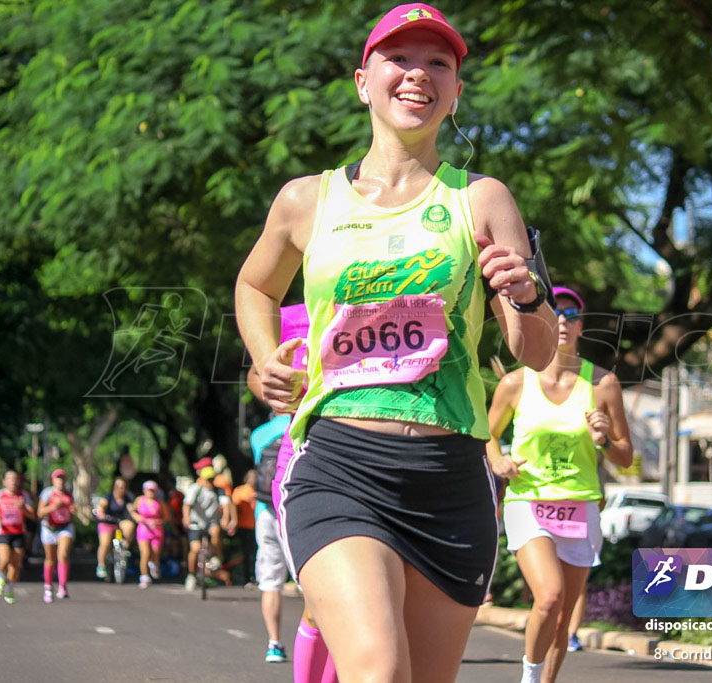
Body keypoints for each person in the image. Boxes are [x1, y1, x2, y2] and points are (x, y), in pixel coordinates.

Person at [234, 4, 557, 679]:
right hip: (339, 466)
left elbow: (534, 351)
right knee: (378, 669)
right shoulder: (306, 200)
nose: (418, 74)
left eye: (438, 62)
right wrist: (264, 357)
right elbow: (255, 287)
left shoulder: (482, 199)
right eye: (399, 59)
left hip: (450, 482)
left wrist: (525, 294)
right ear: (363, 80)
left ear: (457, 91)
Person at [486, 286, 633, 683]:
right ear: (543, 323)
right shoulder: (516, 383)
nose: (564, 320)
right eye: (556, 313)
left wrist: (604, 439)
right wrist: (497, 459)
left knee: (564, 613)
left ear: (582, 325)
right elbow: (486, 432)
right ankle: (529, 677)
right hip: (529, 502)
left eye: (572, 313)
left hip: (581, 507)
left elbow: (625, 455)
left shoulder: (603, 385)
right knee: (548, 596)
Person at [0, 471, 36, 603]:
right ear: (5, 481)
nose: (13, 482)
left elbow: (32, 515)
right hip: (3, 533)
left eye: (15, 479)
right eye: (10, 479)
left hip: (18, 534)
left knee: (15, 565)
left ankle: (10, 589)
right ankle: (0, 577)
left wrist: (23, 509)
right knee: (4, 560)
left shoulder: (23, 495)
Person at [183, 460, 226, 591]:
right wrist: (186, 517)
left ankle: (215, 557)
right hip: (196, 523)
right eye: (208, 479)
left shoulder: (218, 491)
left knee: (216, 532)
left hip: (211, 522)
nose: (210, 482)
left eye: (212, 479)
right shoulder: (196, 489)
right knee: (195, 549)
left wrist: (226, 519)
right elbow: (187, 504)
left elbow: (226, 505)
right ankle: (191, 574)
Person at [37, 468, 77, 603]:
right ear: (53, 480)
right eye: (57, 478)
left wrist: (73, 510)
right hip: (49, 528)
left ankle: (62, 586)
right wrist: (53, 506)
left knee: (63, 554)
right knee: (50, 558)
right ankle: (48, 587)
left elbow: (73, 508)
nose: (60, 481)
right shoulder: (48, 493)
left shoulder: (69, 493)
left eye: (62, 478)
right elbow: (40, 512)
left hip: (65, 527)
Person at [131, 479, 171, 588]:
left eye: (153, 490)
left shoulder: (160, 503)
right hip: (143, 529)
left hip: (156, 530)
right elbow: (133, 511)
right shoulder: (139, 500)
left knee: (155, 553)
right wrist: (138, 518)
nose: (151, 492)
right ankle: (144, 576)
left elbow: (167, 517)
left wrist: (158, 522)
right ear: (144, 490)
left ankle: (154, 563)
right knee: (145, 553)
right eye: (149, 490)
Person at [95, 477, 136, 579]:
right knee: (105, 544)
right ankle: (101, 565)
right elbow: (102, 505)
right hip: (107, 522)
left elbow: (132, 509)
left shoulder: (127, 498)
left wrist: (135, 515)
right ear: (114, 487)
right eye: (118, 487)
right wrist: (100, 511)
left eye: (123, 487)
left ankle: (125, 546)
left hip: (119, 523)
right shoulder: (108, 497)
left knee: (130, 526)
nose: (120, 489)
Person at [231, 470, 258, 587]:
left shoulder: (257, 492)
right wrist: (233, 522)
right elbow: (234, 507)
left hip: (256, 526)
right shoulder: (239, 491)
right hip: (244, 526)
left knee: (255, 552)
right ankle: (247, 577)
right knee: (247, 552)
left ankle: (255, 576)